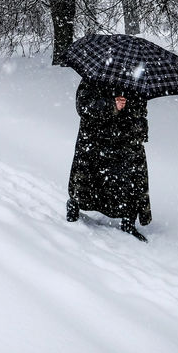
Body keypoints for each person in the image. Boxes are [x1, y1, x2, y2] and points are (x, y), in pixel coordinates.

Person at [66, 78, 151, 242]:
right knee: (87, 177)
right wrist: (112, 105)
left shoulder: (135, 81)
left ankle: (128, 221)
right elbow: (83, 106)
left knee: (130, 180)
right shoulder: (95, 76)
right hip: (95, 140)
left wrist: (138, 126)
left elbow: (141, 112)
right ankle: (74, 207)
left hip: (124, 142)